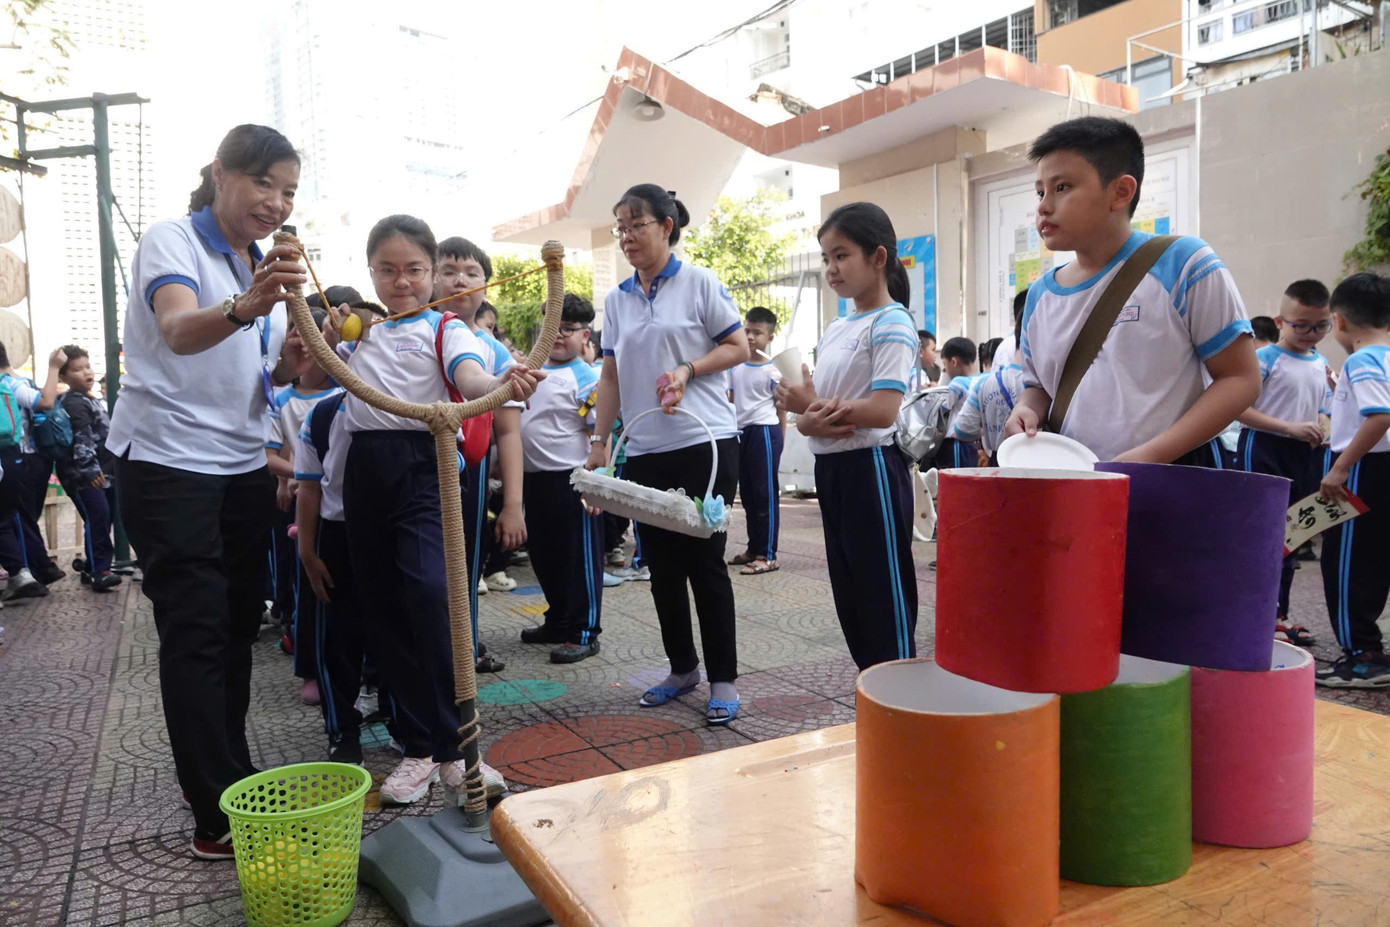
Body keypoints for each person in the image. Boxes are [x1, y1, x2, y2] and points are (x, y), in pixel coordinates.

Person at [107, 124, 309, 860]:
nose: (276, 203)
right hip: (166, 465)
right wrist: (250, 306)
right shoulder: (173, 241)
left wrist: (285, 364)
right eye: (264, 183)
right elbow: (178, 331)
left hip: (238, 466)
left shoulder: (258, 261)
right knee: (193, 630)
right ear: (222, 173)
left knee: (233, 624)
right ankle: (214, 810)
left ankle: (232, 774)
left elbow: (252, 377)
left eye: (288, 191)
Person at [324, 214, 539, 804]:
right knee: (383, 607)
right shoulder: (357, 332)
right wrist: (327, 322)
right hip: (366, 470)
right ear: (370, 272)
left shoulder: (447, 329)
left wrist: (501, 382)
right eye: (387, 270)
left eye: (414, 269)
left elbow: (470, 379)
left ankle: (458, 749)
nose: (402, 281)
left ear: (430, 272)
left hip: (425, 465)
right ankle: (418, 749)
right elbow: (317, 360)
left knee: (430, 596)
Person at [1003, 116, 1259, 464]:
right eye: (1040, 192)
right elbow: (1039, 388)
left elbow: (1240, 379)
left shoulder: (1183, 263)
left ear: (1121, 191)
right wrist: (1025, 409)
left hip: (1174, 483)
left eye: (1062, 187)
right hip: (1077, 486)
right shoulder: (1039, 296)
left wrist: (1152, 456)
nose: (1044, 206)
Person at [585, 184, 748, 724]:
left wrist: (687, 369)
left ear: (666, 226)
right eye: (621, 227)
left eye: (637, 224)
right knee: (659, 566)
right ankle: (683, 669)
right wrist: (601, 442)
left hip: (705, 444)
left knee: (705, 562)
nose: (628, 236)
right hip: (645, 447)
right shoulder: (616, 298)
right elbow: (609, 374)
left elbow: (738, 347)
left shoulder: (699, 282)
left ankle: (723, 678)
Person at [776, 202, 918, 670]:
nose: (831, 269)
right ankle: (876, 695)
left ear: (878, 258)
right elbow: (819, 405)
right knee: (851, 594)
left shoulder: (891, 322)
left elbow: (882, 409)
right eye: (825, 258)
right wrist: (805, 414)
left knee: (883, 595)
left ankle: (901, 697)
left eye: (841, 256)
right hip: (833, 469)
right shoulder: (839, 326)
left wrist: (807, 411)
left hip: (871, 469)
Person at [432, 236, 524, 672]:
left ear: (486, 287)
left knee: (464, 565)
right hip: (412, 467)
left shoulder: (495, 351)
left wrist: (512, 506)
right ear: (430, 277)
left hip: (468, 472)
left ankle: (462, 650)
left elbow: (508, 432)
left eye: (472, 273)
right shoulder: (406, 330)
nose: (460, 281)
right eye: (448, 271)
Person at [1235, 279, 1332, 647]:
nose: (1311, 333)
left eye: (1320, 325)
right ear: (1280, 321)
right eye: (1301, 325)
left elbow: (1322, 408)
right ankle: (1250, 613)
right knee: (1261, 534)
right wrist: (1289, 427)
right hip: (1263, 448)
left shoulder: (1320, 362)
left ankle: (1278, 616)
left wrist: (1322, 425)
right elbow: (1239, 409)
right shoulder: (1263, 359)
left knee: (1292, 537)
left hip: (1306, 454)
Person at [517, 293, 604, 662]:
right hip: (533, 480)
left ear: (585, 336)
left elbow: (600, 436)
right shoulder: (529, 370)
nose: (558, 335)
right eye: (552, 327)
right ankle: (558, 620)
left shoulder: (586, 379)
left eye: (568, 329)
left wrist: (597, 487)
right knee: (545, 556)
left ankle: (584, 632)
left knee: (579, 560)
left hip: (573, 484)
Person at [1315, 272, 1390, 688]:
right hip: (1384, 466)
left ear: (1338, 321)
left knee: (1347, 563)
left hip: (1365, 468)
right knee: (1377, 559)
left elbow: (1380, 415)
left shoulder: (1362, 359)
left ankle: (1363, 657)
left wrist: (1341, 466)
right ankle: (1373, 649)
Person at [267, 305, 339, 704]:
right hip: (299, 504)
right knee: (304, 589)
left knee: (339, 588)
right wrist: (290, 475)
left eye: (317, 334)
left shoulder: (348, 392)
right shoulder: (281, 399)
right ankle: (308, 664)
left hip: (339, 505)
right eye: (298, 332)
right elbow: (269, 452)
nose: (307, 343)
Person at [0, 343, 65, 600]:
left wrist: (53, 367)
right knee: (21, 519)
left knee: (19, 520)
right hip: (30, 461)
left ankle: (30, 573)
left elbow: (47, 402)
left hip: (20, 459)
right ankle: (35, 570)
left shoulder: (10, 385)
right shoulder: (17, 381)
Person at [55, 345, 119, 591]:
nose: (86, 373)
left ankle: (93, 566)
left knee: (101, 520)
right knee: (98, 517)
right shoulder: (74, 402)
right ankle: (100, 571)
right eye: (77, 370)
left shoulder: (90, 400)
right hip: (85, 475)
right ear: (63, 377)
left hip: (105, 472)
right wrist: (90, 470)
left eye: (87, 367)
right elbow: (82, 438)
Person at [728, 306, 784, 576]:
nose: (750, 337)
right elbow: (730, 400)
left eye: (757, 333)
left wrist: (780, 440)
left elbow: (781, 407)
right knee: (749, 495)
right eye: (747, 330)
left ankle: (768, 554)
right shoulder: (735, 367)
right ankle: (753, 548)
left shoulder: (773, 372)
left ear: (770, 338)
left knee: (765, 495)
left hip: (764, 431)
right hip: (741, 433)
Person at [950, 294, 1028, 466]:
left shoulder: (984, 383)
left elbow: (962, 429)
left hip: (997, 464)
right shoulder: (1045, 385)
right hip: (1036, 466)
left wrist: (989, 429)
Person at [934, 336, 979, 470]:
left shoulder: (957, 383)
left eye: (945, 364)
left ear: (954, 361)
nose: (946, 370)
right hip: (971, 442)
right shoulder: (981, 380)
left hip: (955, 443)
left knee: (956, 481)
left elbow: (941, 409)